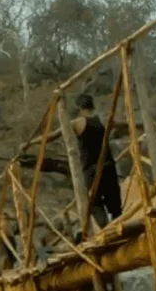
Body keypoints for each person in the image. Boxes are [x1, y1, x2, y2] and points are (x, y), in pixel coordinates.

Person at [39, 93, 123, 231]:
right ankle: (119, 225)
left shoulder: (77, 123)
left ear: (79, 107)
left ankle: (108, 229)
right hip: (108, 165)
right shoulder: (103, 120)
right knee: (114, 201)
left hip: (90, 169)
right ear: (93, 105)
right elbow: (123, 124)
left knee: (95, 204)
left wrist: (30, 144)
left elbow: (50, 137)